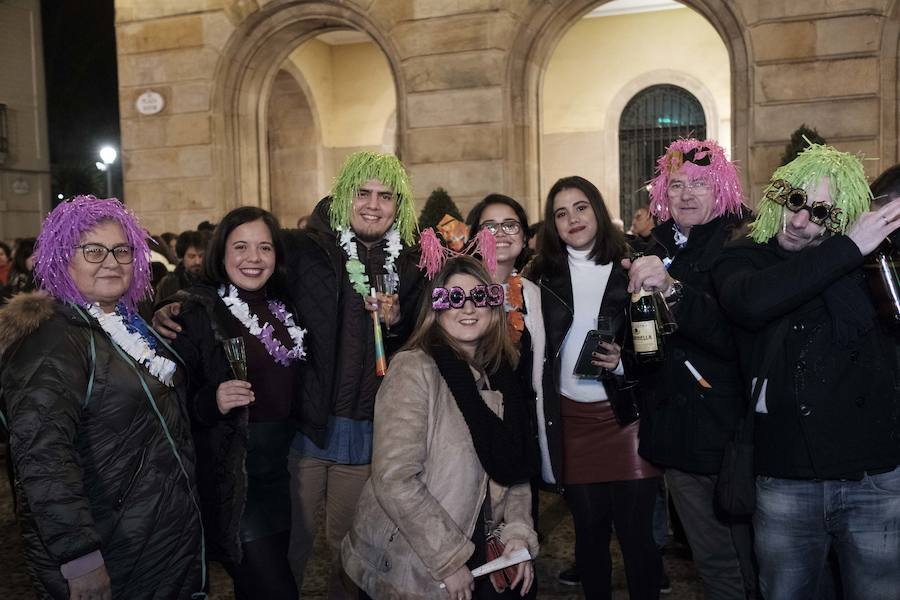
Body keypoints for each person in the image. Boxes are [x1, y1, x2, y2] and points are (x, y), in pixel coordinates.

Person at [152, 151, 425, 598]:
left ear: (400, 205)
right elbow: (237, 273)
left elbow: (422, 338)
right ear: (343, 197)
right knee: (283, 556)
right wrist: (175, 302)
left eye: (386, 196)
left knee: (354, 555)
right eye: (363, 193)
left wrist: (395, 326)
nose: (373, 204)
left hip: (369, 433)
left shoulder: (412, 264)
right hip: (302, 433)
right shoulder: (304, 247)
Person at [713, 143, 900, 600]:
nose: (799, 222)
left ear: (842, 217)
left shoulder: (872, 263)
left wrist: (862, 249)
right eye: (794, 202)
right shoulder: (745, 257)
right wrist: (849, 245)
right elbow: (754, 302)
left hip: (874, 477)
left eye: (819, 213)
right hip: (786, 479)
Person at [0, 195, 203, 599]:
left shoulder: (122, 322)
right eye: (92, 250)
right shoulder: (52, 339)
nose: (110, 260)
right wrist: (80, 557)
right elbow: (43, 458)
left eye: (122, 249)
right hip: (112, 546)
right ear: (62, 258)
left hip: (156, 534)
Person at [341, 256, 538, 599]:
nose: (468, 309)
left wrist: (518, 534)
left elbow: (515, 466)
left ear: (494, 307)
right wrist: (447, 559)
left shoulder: (502, 373)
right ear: (436, 308)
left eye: (480, 297)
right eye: (453, 299)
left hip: (482, 547)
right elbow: (395, 477)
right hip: (417, 557)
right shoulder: (414, 369)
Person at [626, 138, 756, 600]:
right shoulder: (658, 244)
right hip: (676, 436)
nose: (685, 194)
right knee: (712, 562)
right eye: (676, 184)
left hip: (728, 438)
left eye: (700, 184)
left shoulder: (742, 245)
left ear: (721, 188)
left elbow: (734, 335)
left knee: (748, 561)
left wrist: (673, 288)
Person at [528, 175, 662, 600]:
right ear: (553, 224)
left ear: (598, 211)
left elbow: (661, 347)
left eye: (581, 207)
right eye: (561, 213)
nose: (573, 219)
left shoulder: (633, 264)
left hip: (628, 418)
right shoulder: (540, 275)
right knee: (588, 536)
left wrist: (625, 362)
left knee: (637, 537)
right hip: (571, 420)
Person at [171, 207, 305, 600]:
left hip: (279, 471)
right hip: (234, 474)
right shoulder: (197, 310)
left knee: (256, 590)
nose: (253, 258)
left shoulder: (285, 307)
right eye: (241, 246)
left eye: (264, 247)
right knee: (277, 591)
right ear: (222, 252)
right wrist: (212, 400)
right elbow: (172, 399)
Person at [156, 229, 206, 302]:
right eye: (191, 256)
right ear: (182, 257)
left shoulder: (214, 279)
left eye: (201, 256)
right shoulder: (168, 283)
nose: (197, 262)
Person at [1, 237, 36, 301]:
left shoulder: (42, 280)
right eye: (34, 259)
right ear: (22, 259)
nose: (37, 263)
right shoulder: (14, 280)